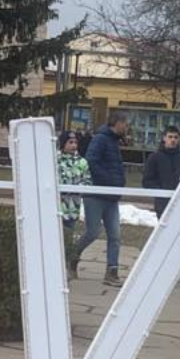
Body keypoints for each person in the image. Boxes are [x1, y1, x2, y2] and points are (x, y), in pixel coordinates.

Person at [71, 113, 130, 287]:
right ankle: (72, 256)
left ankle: (112, 271)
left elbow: (115, 166)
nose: (126, 128)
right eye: (125, 124)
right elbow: (91, 162)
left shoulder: (114, 142)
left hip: (111, 196)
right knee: (93, 232)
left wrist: (119, 182)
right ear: (116, 123)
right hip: (96, 194)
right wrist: (109, 181)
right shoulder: (100, 139)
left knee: (115, 235)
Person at [141, 127, 180, 286]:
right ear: (164, 138)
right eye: (170, 137)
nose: (173, 140)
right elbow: (147, 181)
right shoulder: (155, 157)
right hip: (163, 204)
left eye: (175, 137)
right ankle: (161, 269)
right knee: (165, 238)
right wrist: (161, 191)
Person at [56, 129, 89, 261]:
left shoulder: (82, 162)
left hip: (72, 208)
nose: (74, 145)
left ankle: (66, 262)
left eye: (75, 142)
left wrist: (79, 188)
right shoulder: (55, 160)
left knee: (68, 237)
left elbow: (87, 180)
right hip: (56, 207)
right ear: (63, 144)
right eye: (70, 142)